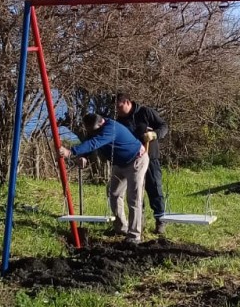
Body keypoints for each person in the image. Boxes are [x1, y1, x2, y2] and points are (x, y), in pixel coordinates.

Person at [58, 113, 149, 243]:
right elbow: (91, 140)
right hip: (120, 164)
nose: (91, 132)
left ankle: (134, 236)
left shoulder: (110, 129)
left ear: (101, 123)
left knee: (133, 198)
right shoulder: (96, 129)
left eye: (94, 130)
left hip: (137, 161)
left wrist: (71, 151)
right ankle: (121, 227)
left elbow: (96, 142)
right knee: (114, 193)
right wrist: (84, 155)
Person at [115, 93, 169, 235]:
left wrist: (155, 134)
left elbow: (164, 126)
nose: (118, 111)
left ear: (127, 102)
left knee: (154, 189)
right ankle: (140, 220)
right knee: (135, 191)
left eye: (120, 107)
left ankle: (160, 220)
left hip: (150, 157)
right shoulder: (120, 121)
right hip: (133, 160)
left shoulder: (145, 112)